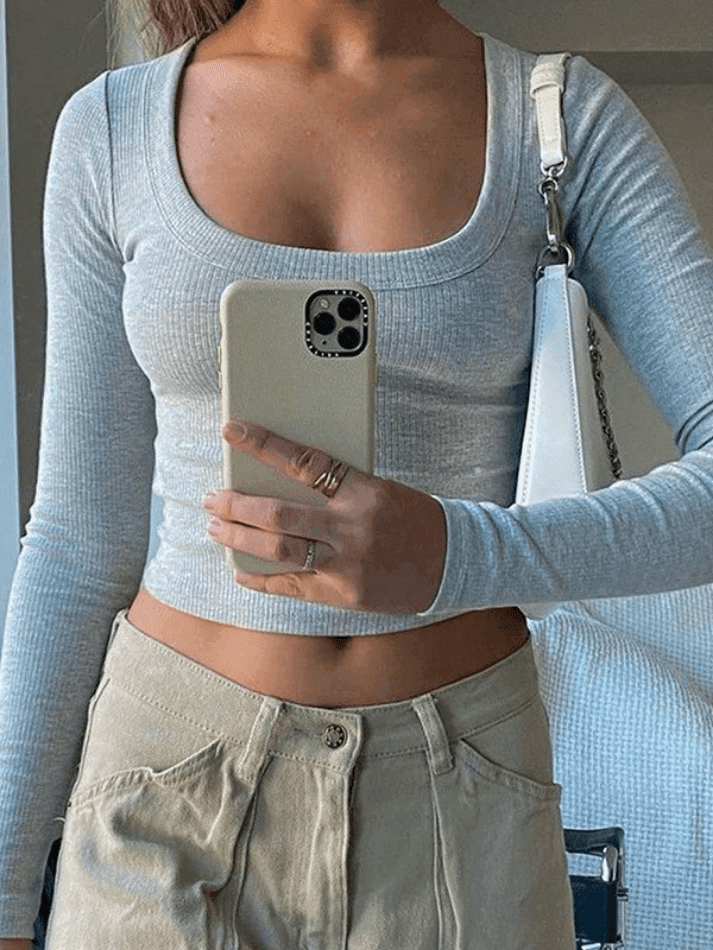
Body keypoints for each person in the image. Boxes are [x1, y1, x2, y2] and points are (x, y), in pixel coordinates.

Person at [1, 0, 712, 945]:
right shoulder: (112, 126)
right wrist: (5, 886)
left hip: (462, 803)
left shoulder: (557, 120)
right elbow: (75, 545)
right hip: (165, 792)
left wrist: (462, 553)